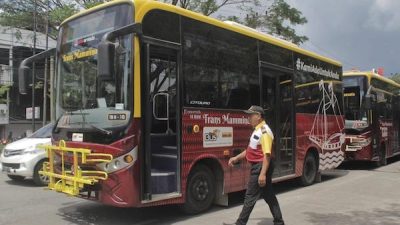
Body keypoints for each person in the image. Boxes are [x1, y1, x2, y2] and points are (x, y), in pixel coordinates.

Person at [228, 105, 284, 225]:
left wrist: (262, 174)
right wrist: (236, 158)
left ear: (258, 116)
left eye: (250, 115)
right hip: (259, 166)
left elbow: (267, 155)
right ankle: (279, 221)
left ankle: (240, 223)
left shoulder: (264, 131)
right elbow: (249, 150)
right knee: (268, 195)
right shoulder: (257, 130)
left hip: (260, 166)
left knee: (250, 196)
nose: (248, 118)